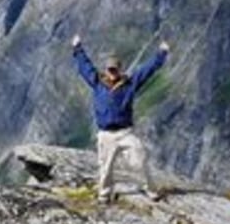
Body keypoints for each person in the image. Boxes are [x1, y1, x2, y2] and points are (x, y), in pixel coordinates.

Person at [71, 34, 170, 202]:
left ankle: (151, 190)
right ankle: (104, 195)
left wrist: (162, 53)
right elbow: (85, 67)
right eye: (110, 69)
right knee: (105, 167)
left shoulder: (130, 84)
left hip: (125, 133)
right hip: (105, 134)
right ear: (106, 70)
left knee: (140, 160)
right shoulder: (97, 83)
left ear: (119, 70)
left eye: (115, 69)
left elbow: (147, 70)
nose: (112, 72)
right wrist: (77, 48)